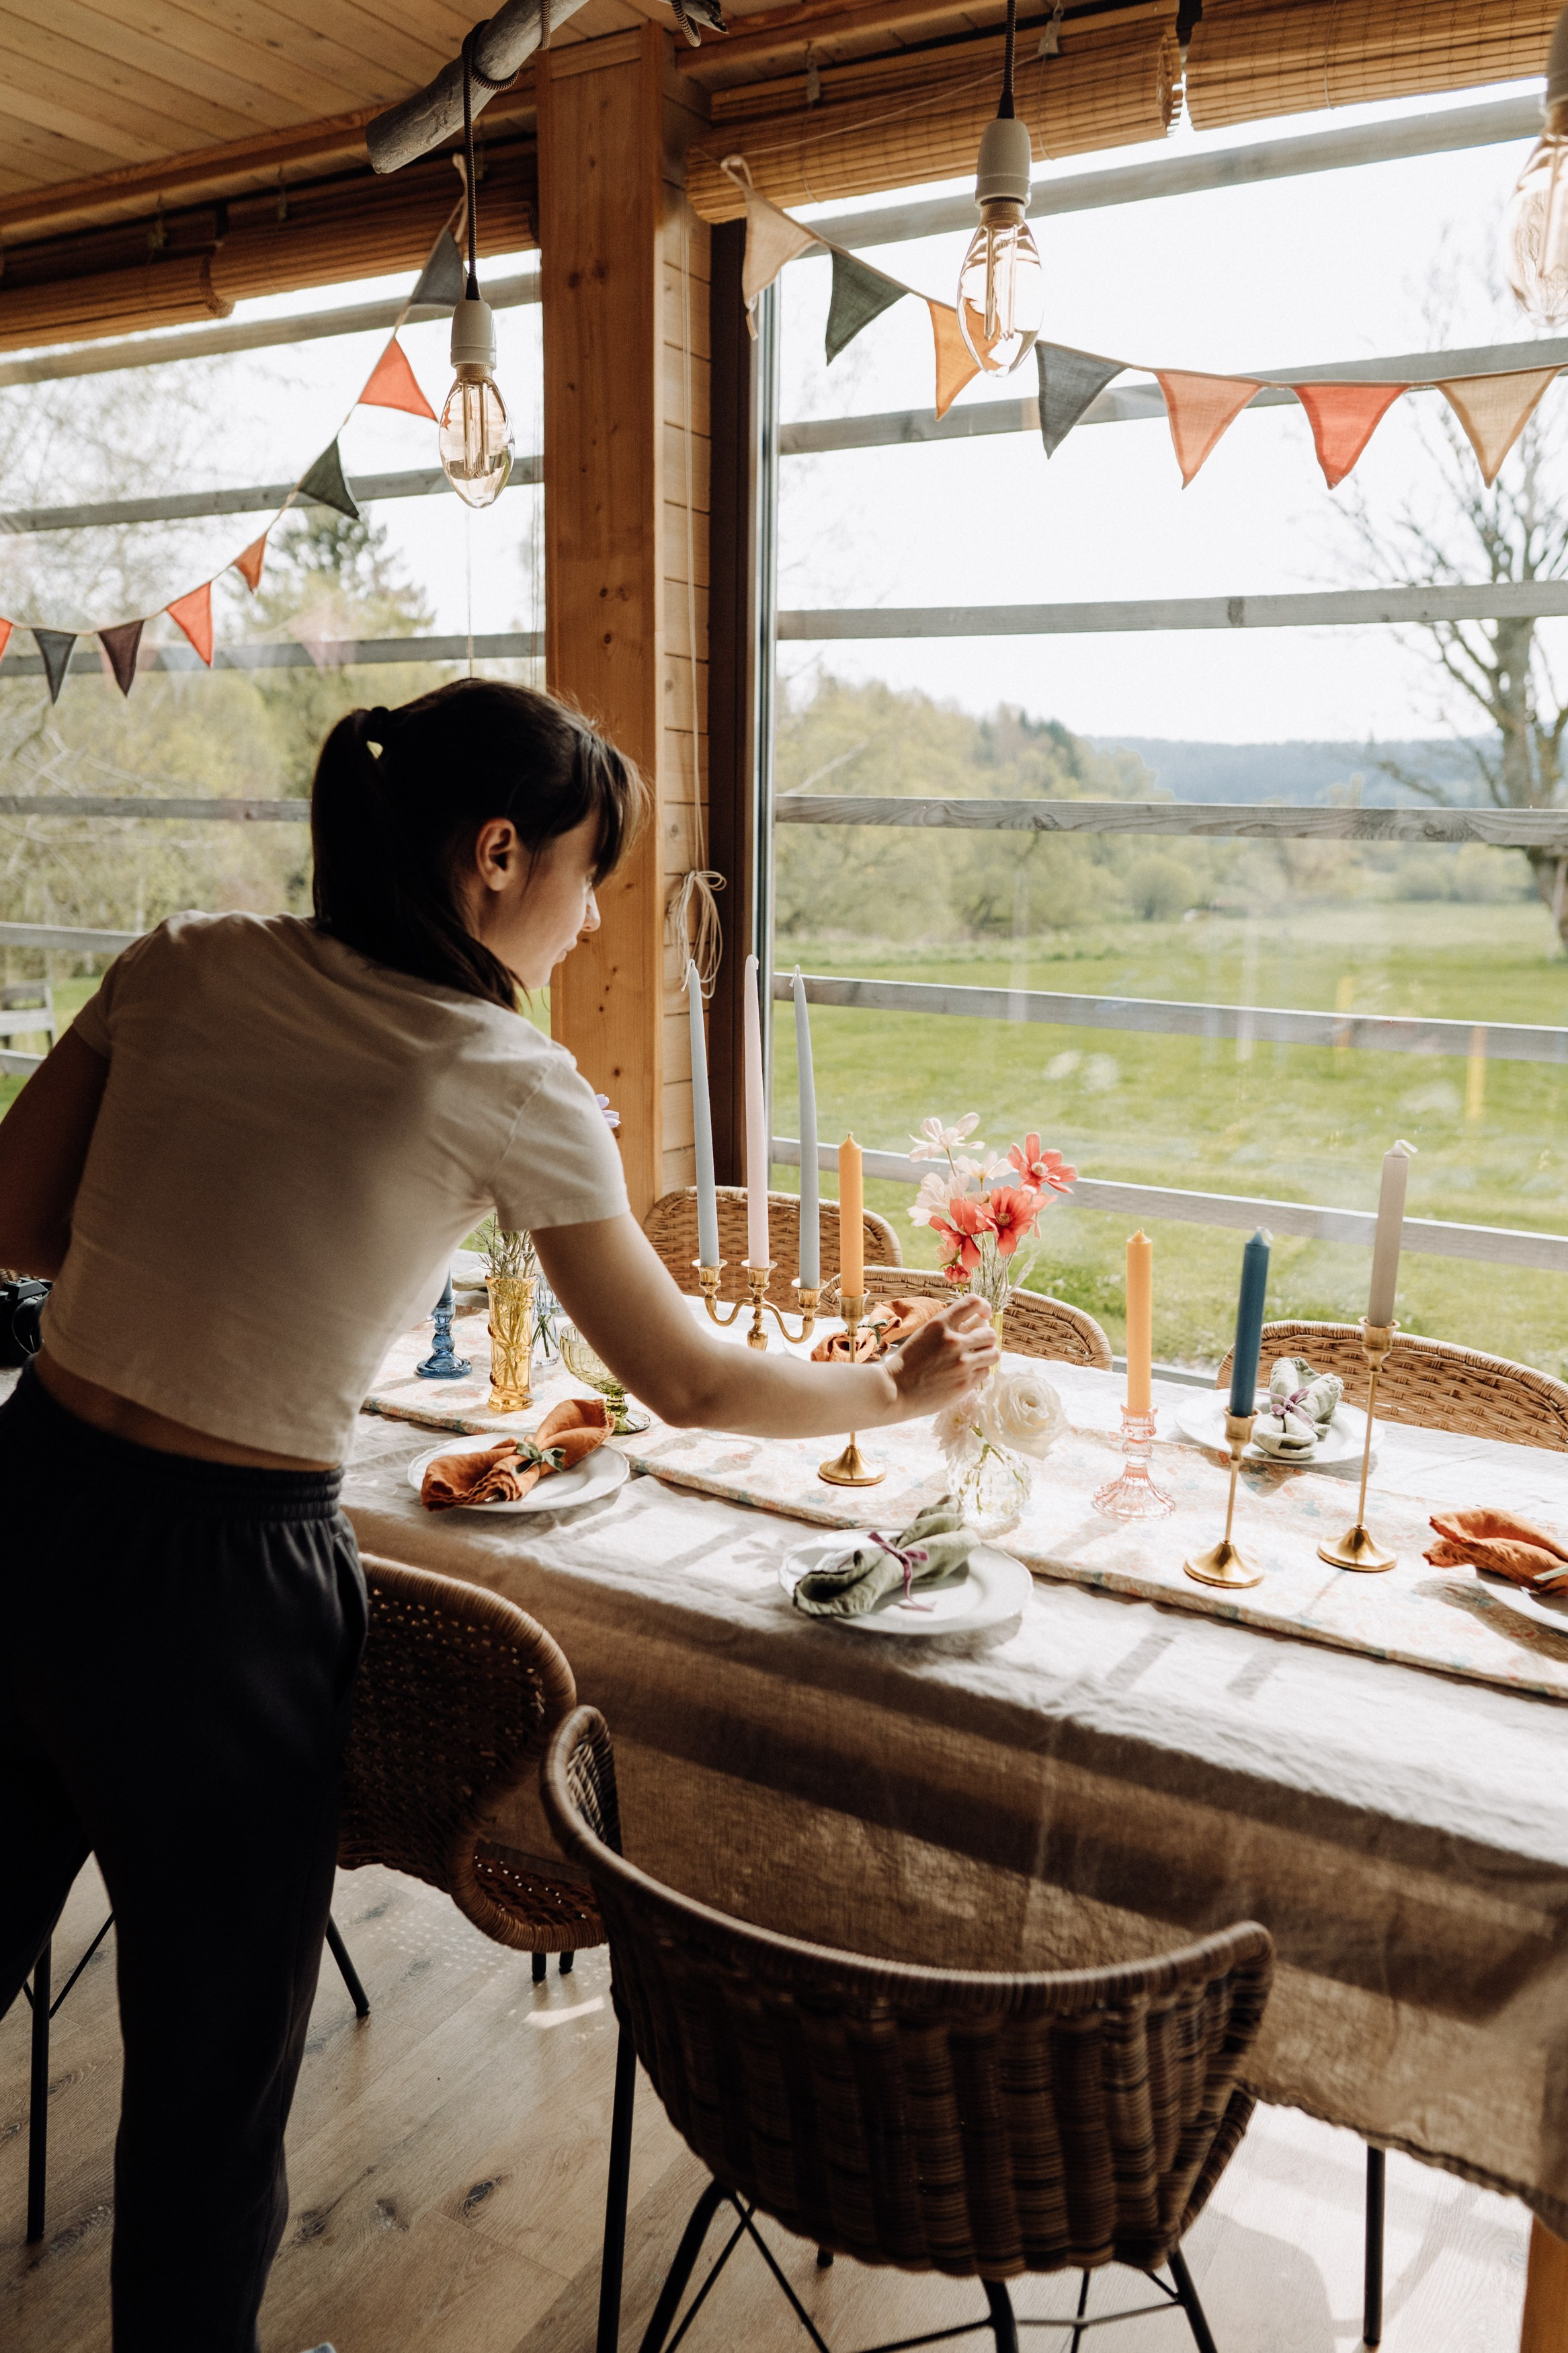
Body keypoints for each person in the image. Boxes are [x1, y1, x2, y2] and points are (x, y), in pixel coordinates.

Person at [0, 678, 998, 2353]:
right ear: (493, 856)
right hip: (221, 1598)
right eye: (588, 873)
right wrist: (893, 1395)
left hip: (27, 1505)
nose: (596, 913)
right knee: (207, 2079)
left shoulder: (182, 960)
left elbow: (17, 1225)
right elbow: (686, 1384)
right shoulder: (501, 1071)